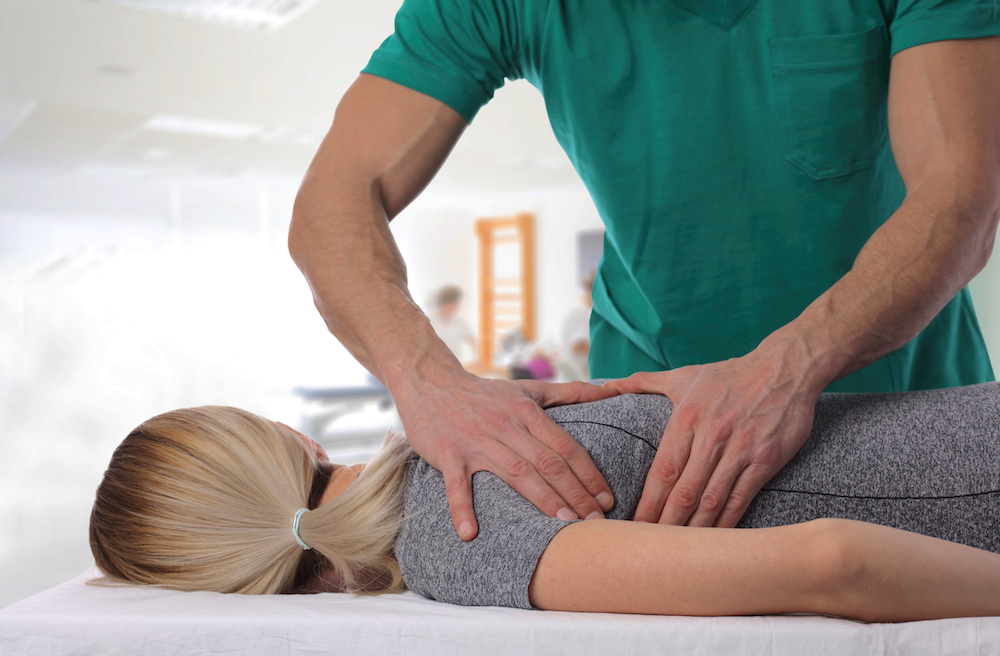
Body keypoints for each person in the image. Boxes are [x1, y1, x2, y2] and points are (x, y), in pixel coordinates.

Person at [288, 1, 1000, 541]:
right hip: (647, 416)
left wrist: (789, 366)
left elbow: (962, 195)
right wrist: (428, 385)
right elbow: (333, 201)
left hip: (904, 395)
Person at [90, 381, 1000, 621]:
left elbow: (834, 561)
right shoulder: (459, 512)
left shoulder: (455, 514)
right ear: (287, 442)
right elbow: (828, 564)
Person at [428, 285, 476, 364]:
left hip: (454, 365)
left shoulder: (459, 323)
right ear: (445, 304)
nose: (457, 307)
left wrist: (476, 360)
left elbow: (472, 341)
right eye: (454, 304)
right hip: (434, 364)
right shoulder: (430, 322)